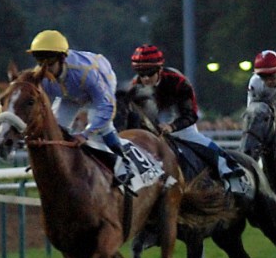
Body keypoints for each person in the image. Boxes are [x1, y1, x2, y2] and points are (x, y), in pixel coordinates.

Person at [26, 30, 147, 189]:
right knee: (57, 125)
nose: (44, 69)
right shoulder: (41, 77)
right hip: (70, 93)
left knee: (101, 125)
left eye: (49, 64)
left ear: (62, 59)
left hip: (100, 81)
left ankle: (124, 163)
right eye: (40, 63)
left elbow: (106, 108)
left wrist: (85, 134)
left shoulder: (86, 73)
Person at [128, 44, 247, 192]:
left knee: (203, 144)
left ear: (160, 69)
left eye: (150, 73)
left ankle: (231, 172)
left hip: (181, 128)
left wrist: (172, 127)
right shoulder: (135, 86)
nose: (145, 79)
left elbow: (191, 115)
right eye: (141, 74)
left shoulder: (177, 81)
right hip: (153, 130)